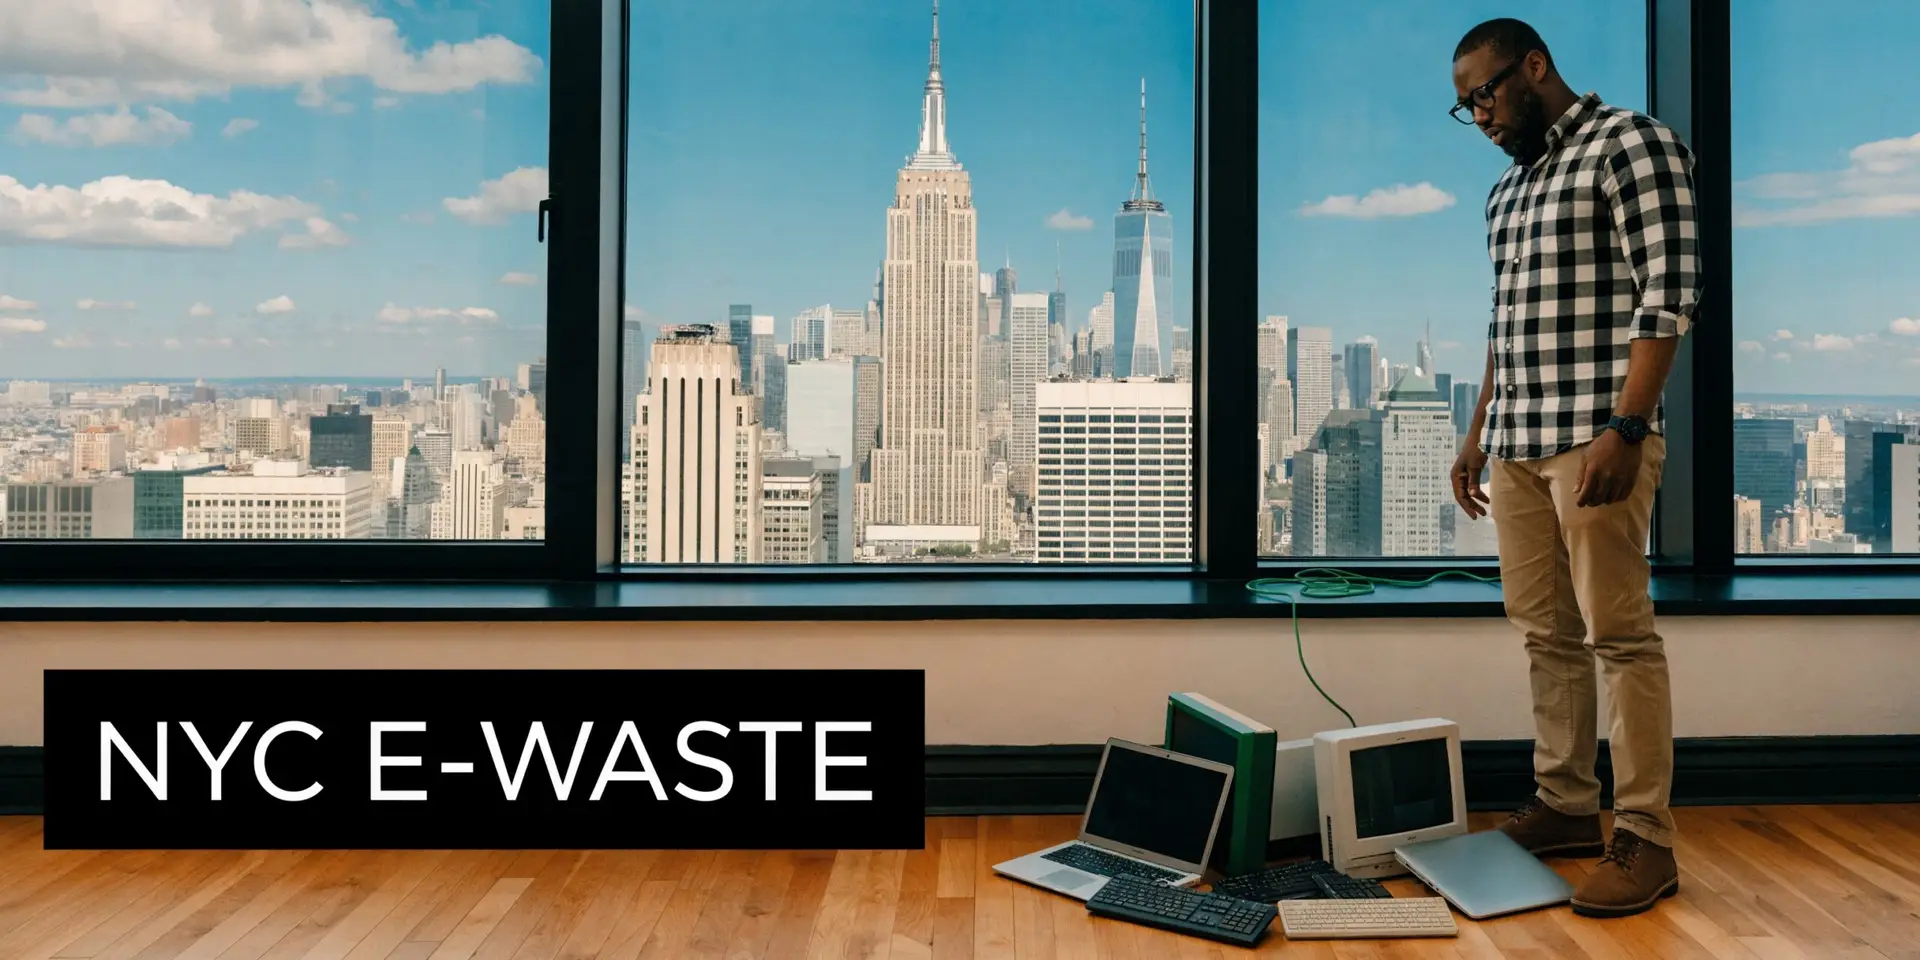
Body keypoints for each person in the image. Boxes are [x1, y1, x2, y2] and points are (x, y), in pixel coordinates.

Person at [1448, 18, 1701, 919]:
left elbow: (1669, 295)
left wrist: (1627, 426)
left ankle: (1647, 838)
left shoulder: (1629, 144)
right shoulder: (1506, 194)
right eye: (1464, 102)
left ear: (1536, 67)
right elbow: (1503, 324)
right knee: (1545, 634)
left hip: (1596, 442)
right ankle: (1565, 806)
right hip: (1517, 445)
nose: (1477, 113)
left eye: (1486, 91)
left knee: (1620, 636)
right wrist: (1479, 427)